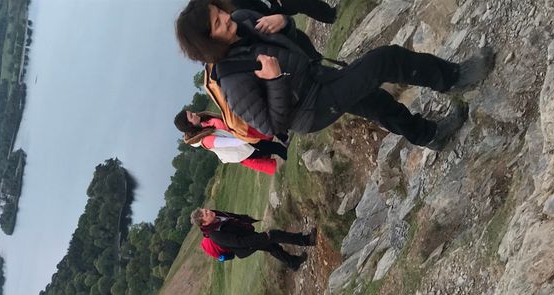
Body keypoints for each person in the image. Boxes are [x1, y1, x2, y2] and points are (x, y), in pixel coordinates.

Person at [175, 0, 495, 149]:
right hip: (310, 109)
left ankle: (428, 135)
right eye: (218, 24)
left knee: (376, 102)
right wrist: (273, 82)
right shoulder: (232, 79)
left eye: (219, 12)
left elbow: (291, 45)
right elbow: (272, 126)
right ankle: (455, 77)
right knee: (385, 60)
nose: (226, 19)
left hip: (318, 78)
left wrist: (284, 24)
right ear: (208, 43)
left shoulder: (243, 20)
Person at [192, 207, 316, 270]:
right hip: (246, 245)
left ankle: (293, 263)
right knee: (274, 235)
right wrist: (262, 237)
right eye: (206, 214)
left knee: (272, 246)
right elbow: (239, 242)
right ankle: (307, 240)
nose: (209, 211)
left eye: (206, 210)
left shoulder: (215, 215)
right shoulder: (215, 235)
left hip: (248, 235)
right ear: (204, 223)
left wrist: (247, 219)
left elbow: (232, 216)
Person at [175, 109, 286, 175]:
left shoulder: (203, 121)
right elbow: (230, 143)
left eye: (191, 112)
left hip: (241, 135)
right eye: (191, 116)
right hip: (242, 146)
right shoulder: (206, 139)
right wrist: (249, 137)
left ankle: (286, 141)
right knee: (275, 147)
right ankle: (290, 157)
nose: (194, 114)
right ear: (189, 125)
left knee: (267, 131)